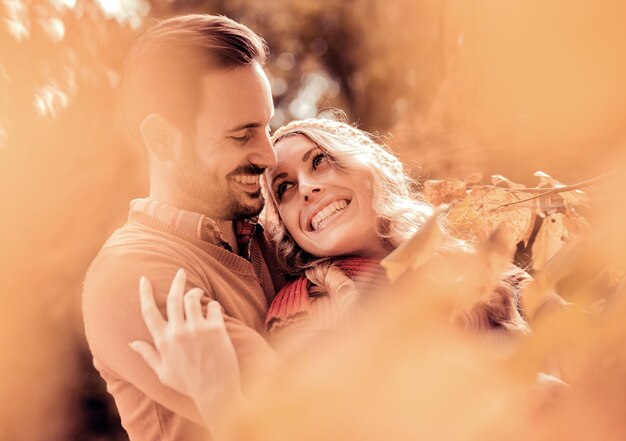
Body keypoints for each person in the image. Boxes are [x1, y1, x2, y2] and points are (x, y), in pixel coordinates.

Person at [131, 118, 568, 437]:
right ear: (285, 225)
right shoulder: (308, 306)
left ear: (364, 168)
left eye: (319, 162)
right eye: (284, 188)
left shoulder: (466, 261)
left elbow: (577, 334)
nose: (306, 188)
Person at [82, 14, 286, 441]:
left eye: (267, 127)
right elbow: (325, 412)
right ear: (162, 139)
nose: (269, 157)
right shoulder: (131, 274)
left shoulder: (272, 231)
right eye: (240, 135)